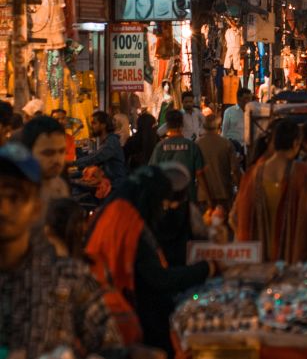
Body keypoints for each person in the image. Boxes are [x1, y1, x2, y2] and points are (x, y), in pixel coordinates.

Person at [0, 143, 124, 357]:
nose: (3, 208)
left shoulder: (68, 276)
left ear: (36, 208)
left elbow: (110, 347)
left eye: (15, 197)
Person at [85, 164, 220, 355]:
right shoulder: (129, 224)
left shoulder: (117, 209)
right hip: (123, 313)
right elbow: (157, 278)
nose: (164, 208)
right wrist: (207, 268)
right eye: (161, 202)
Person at [232, 119, 307, 262]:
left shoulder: (252, 174)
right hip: (293, 260)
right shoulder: (304, 173)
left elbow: (235, 216)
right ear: (296, 143)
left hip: (258, 262)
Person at [149, 109, 208, 263]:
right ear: (182, 124)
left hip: (165, 203)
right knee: (188, 239)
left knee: (167, 239)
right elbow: (201, 175)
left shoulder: (160, 148)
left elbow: (152, 174)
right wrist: (207, 199)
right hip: (188, 200)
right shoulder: (192, 146)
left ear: (167, 125)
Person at [22, 116, 70, 204]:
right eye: (48, 153)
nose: (57, 159)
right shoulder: (14, 193)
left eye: (62, 151)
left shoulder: (60, 186)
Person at [73, 111, 128, 187]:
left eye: (94, 123)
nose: (91, 126)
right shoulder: (106, 141)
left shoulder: (111, 141)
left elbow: (96, 157)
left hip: (115, 186)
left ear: (103, 125)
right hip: (110, 184)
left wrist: (72, 163)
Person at [196, 114, 239, 210]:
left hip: (203, 195)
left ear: (204, 127)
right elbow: (235, 170)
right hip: (223, 192)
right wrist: (239, 188)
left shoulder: (197, 144)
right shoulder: (227, 144)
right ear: (219, 127)